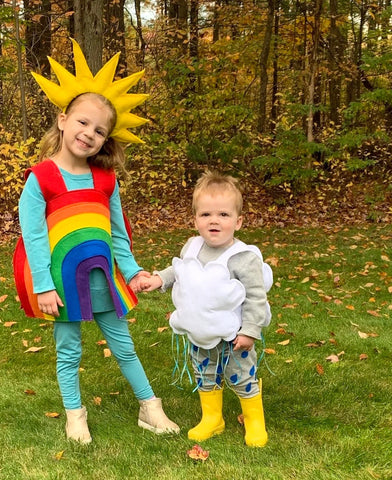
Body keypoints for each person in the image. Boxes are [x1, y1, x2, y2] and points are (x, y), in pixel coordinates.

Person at [14, 40, 179, 444]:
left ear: (107, 140)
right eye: (83, 122)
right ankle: (75, 414)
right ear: (62, 119)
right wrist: (44, 285)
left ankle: (149, 408)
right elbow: (33, 234)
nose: (89, 133)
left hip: (103, 280)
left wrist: (133, 270)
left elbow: (117, 234)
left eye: (100, 130)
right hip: (62, 281)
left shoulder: (106, 181)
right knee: (68, 350)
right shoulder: (42, 178)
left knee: (124, 345)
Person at [140, 171, 272, 447]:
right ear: (195, 219)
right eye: (206, 214)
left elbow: (257, 298)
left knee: (241, 376)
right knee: (205, 374)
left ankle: (254, 420)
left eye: (223, 215)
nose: (214, 220)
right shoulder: (192, 245)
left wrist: (250, 331)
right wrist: (159, 279)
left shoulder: (242, 258)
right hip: (199, 333)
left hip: (234, 337)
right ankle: (213, 419)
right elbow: (178, 270)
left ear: (238, 221)